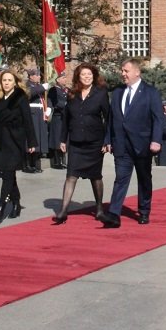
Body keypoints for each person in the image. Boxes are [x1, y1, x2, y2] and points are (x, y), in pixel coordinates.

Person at [99, 58, 165, 227]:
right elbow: (111, 119)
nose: (123, 74)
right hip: (121, 145)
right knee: (120, 178)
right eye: (122, 70)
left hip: (142, 145)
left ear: (137, 72)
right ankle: (114, 214)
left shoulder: (150, 92)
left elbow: (158, 119)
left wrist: (156, 140)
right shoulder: (118, 92)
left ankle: (144, 211)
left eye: (126, 71)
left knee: (144, 179)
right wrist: (108, 139)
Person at [52, 63, 111, 224]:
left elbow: (108, 118)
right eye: (83, 74)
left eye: (89, 75)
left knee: (95, 177)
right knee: (71, 175)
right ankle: (63, 210)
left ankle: (99, 209)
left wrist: (108, 140)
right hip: (76, 142)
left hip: (95, 142)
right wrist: (63, 139)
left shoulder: (101, 93)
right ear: (78, 76)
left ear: (94, 76)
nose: (86, 77)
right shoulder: (72, 94)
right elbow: (66, 118)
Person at [0, 69, 37, 224]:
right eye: (4, 80)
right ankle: (17, 204)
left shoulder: (20, 97)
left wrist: (32, 142)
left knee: (7, 173)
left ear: (15, 82)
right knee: (8, 174)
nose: (6, 83)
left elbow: (28, 121)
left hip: (15, 140)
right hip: (0, 139)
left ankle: (1, 206)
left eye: (9, 80)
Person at [25, 67, 50, 173]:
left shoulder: (38, 86)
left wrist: (48, 108)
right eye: (37, 75)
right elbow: (29, 94)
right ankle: (27, 165)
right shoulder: (27, 85)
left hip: (40, 114)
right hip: (32, 114)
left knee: (38, 140)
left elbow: (44, 99)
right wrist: (42, 88)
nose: (39, 76)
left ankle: (34, 164)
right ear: (31, 76)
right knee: (31, 139)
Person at [47, 70, 69, 170]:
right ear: (57, 80)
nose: (65, 79)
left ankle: (63, 160)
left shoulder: (66, 90)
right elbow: (55, 102)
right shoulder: (53, 90)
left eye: (65, 78)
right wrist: (65, 105)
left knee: (64, 139)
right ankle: (56, 162)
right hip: (57, 117)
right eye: (63, 78)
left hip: (65, 117)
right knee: (57, 140)